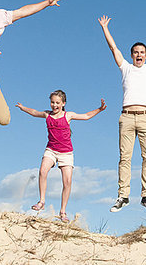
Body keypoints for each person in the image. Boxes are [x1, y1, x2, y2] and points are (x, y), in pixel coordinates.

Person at [98, 14, 146, 212]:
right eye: (135, 52)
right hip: (126, 117)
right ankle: (123, 196)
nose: (139, 55)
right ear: (132, 55)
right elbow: (113, 48)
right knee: (125, 158)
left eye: (142, 52)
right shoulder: (126, 68)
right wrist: (105, 28)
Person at [16, 91, 106, 222]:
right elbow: (34, 112)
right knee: (42, 171)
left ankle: (62, 211)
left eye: (57, 103)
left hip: (66, 153)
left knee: (67, 181)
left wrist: (100, 109)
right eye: (52, 102)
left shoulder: (68, 115)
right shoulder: (47, 114)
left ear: (63, 103)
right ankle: (41, 201)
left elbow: (86, 116)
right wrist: (23, 108)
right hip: (51, 150)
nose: (54, 105)